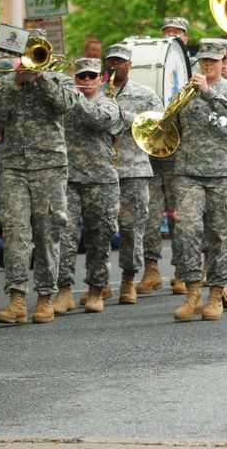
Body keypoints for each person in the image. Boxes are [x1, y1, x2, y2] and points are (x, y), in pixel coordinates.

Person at [0, 30, 78, 324]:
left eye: (34, 51)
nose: (29, 56)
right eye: (26, 51)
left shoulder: (60, 80)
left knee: (48, 231)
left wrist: (40, 78)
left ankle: (45, 298)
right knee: (14, 231)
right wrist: (16, 82)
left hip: (50, 166)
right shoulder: (6, 82)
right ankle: (16, 299)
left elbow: (65, 105)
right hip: (14, 166)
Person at [170, 38, 227, 322]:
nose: (207, 65)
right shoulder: (185, 91)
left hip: (224, 173)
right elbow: (172, 127)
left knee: (222, 236)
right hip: (188, 171)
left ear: (223, 62)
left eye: (213, 61)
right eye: (203, 60)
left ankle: (216, 295)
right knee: (186, 231)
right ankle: (193, 295)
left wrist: (208, 94)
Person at [54, 58, 123, 314]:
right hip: (68, 179)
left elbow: (97, 120)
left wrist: (74, 95)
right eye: (81, 76)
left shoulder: (109, 104)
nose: (85, 81)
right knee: (65, 237)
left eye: (91, 76)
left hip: (101, 180)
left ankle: (96, 290)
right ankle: (64, 292)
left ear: (100, 79)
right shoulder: (65, 104)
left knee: (99, 238)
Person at [104, 43, 163, 306]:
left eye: (120, 61)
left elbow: (160, 125)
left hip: (134, 170)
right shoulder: (95, 91)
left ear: (130, 64)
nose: (115, 65)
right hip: (101, 170)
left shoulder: (145, 93)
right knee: (100, 230)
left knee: (131, 229)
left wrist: (124, 115)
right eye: (111, 61)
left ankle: (128, 281)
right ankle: (100, 282)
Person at [137, 16, 192, 297]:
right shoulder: (154, 59)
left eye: (176, 33)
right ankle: (151, 269)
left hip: (179, 155)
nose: (171, 36)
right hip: (151, 152)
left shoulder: (194, 69)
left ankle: (182, 270)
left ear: (186, 39)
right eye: (167, 32)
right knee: (149, 214)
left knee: (177, 216)